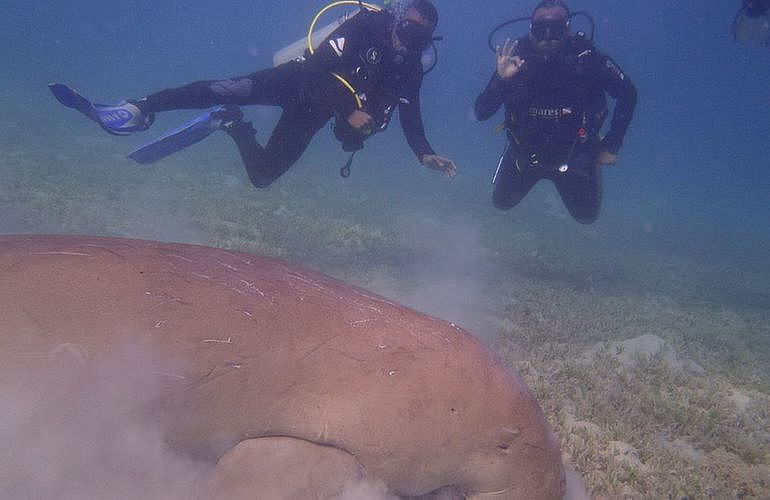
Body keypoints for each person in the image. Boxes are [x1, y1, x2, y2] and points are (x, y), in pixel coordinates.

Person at [51, 0, 457, 187]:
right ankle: (141, 108)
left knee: (262, 177)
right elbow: (316, 66)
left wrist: (424, 153)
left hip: (315, 113)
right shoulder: (367, 25)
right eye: (408, 32)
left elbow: (411, 113)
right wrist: (346, 110)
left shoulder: (411, 66)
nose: (411, 44)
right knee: (223, 87)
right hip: (297, 81)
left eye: (421, 39)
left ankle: (230, 124)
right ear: (396, 20)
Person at [475, 0, 636, 224]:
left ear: (568, 29)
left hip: (576, 156)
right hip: (525, 156)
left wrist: (611, 144)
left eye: (557, 29)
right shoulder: (515, 60)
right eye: (541, 30)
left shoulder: (588, 59)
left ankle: (592, 159)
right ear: (531, 30)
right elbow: (481, 112)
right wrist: (501, 80)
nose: (548, 37)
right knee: (501, 203)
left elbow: (628, 93)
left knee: (586, 216)